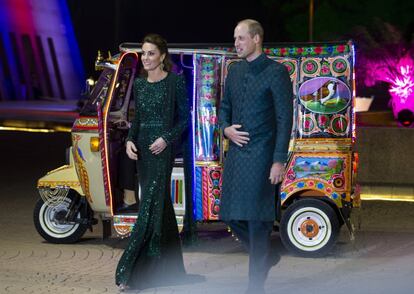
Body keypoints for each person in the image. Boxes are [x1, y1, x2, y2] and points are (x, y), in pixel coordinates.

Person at [218, 19, 293, 293]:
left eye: (240, 38)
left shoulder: (276, 72)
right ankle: (267, 257)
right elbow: (224, 107)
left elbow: (285, 119)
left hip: (263, 156)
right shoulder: (234, 71)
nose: (236, 43)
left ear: (257, 39)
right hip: (237, 155)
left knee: (258, 222)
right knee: (229, 215)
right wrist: (225, 129)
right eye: (235, 38)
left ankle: (254, 286)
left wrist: (278, 160)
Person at [115, 33, 190, 291]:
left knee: (147, 206)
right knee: (159, 204)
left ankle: (131, 271)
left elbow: (184, 119)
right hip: (143, 152)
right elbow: (137, 119)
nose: (145, 58)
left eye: (150, 53)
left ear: (162, 56)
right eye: (143, 53)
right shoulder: (139, 84)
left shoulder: (175, 83)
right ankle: (170, 269)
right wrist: (129, 141)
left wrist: (166, 139)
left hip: (162, 150)